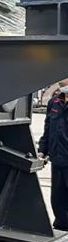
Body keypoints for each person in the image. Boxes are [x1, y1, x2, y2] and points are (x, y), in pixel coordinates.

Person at [39, 78, 68, 231]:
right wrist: (42, 151)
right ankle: (61, 227)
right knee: (58, 198)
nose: (60, 81)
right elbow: (48, 129)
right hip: (57, 160)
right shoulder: (54, 102)